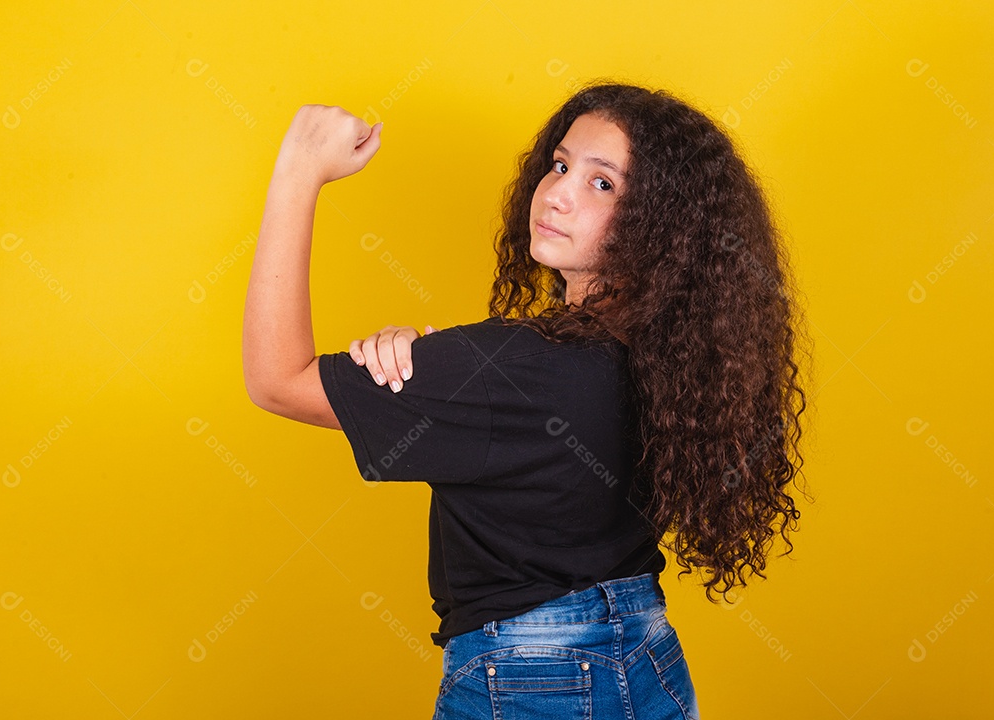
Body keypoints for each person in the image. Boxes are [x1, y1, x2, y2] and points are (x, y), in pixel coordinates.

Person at [242, 80, 812, 720]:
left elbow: (277, 378)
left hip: (531, 679)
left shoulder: (512, 368)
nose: (559, 192)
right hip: (647, 660)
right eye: (562, 164)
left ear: (663, 224)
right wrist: (429, 365)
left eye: (603, 184)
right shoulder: (677, 362)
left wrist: (298, 173)